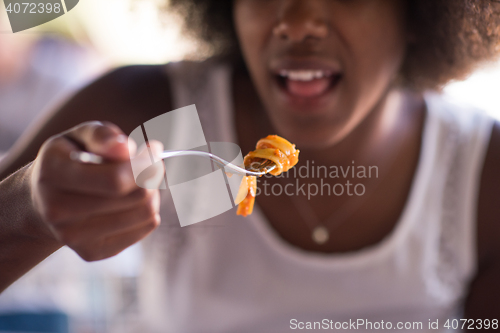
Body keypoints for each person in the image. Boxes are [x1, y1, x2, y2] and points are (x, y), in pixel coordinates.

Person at [0, 0, 499, 331]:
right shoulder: (181, 125)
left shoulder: (477, 173)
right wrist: (30, 208)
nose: (298, 20)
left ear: (416, 13)